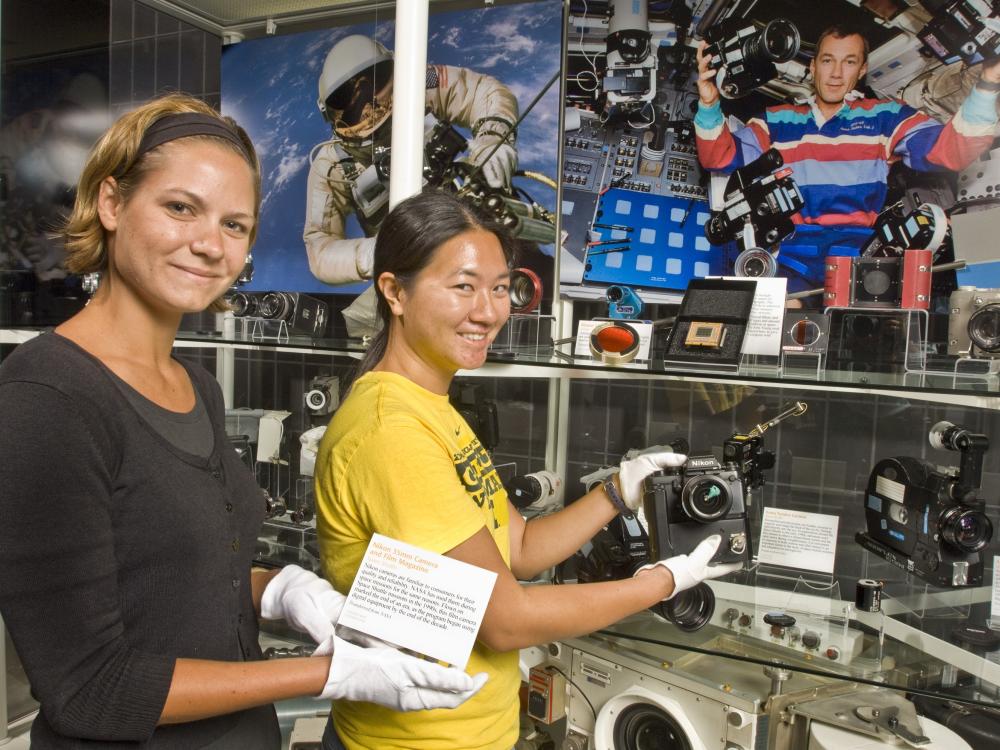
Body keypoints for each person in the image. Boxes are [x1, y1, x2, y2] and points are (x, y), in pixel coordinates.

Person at [0, 94, 485, 749]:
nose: (208, 245)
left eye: (235, 226)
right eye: (180, 208)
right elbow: (90, 689)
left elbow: (177, 580)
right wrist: (320, 673)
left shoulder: (196, 388)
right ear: (112, 204)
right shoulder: (47, 398)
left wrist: (278, 589)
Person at [313, 189, 740, 750]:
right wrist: (661, 583)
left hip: (475, 731)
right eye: (463, 286)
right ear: (395, 292)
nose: (488, 311)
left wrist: (618, 491)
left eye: (498, 287)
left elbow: (521, 547)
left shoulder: (431, 409)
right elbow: (506, 620)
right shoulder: (391, 431)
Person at [694, 23, 1000, 289]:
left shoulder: (887, 116)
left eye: (849, 62)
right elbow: (719, 157)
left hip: (858, 258)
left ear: (862, 70)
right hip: (790, 254)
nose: (837, 74)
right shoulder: (776, 120)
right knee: (781, 330)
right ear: (813, 66)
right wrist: (709, 103)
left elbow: (950, 152)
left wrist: (987, 85)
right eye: (828, 61)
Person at [303, 35, 519, 335]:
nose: (368, 107)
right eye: (350, 102)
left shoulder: (418, 83)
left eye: (371, 86)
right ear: (331, 113)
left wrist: (494, 139)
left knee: (519, 278)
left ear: (393, 73)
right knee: (350, 329)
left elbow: (483, 91)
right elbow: (320, 249)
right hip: (412, 268)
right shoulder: (333, 164)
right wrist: (375, 252)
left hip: (477, 227)